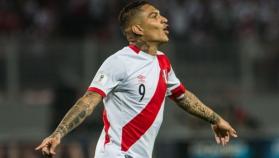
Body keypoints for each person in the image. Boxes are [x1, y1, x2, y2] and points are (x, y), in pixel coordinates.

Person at [35, 1, 238, 158]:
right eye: (154, 16)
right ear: (138, 29)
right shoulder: (119, 62)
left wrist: (216, 119)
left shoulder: (162, 62)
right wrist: (58, 134)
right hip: (115, 154)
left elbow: (182, 96)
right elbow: (88, 101)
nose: (164, 19)